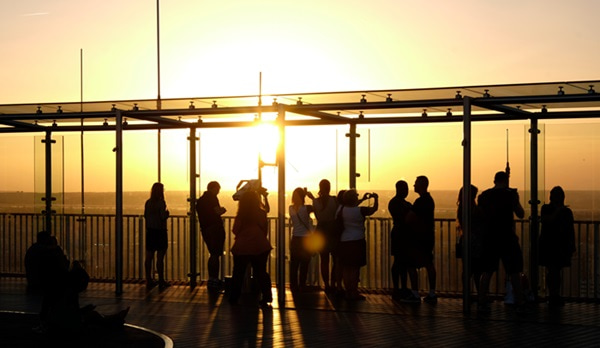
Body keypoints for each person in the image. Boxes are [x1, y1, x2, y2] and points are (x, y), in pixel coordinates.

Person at [477, 171, 526, 313]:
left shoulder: (484, 196)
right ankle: (519, 302)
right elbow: (521, 213)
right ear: (506, 180)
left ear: (494, 180)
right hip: (507, 237)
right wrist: (515, 200)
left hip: (490, 237)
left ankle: (481, 301)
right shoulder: (510, 195)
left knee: (487, 271)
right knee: (514, 271)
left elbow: (481, 216)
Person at [228, 189, 273, 307]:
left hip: (242, 247)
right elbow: (264, 230)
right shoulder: (261, 213)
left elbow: (235, 230)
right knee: (261, 272)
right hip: (260, 245)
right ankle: (267, 296)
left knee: (238, 273)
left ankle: (234, 297)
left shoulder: (241, 215)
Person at [338, 189, 378, 301]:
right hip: (357, 240)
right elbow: (374, 209)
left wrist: (363, 199)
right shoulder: (360, 211)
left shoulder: (341, 210)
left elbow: (351, 206)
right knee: (355, 268)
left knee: (346, 267)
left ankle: (347, 291)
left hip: (344, 241)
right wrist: (375, 199)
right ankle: (354, 291)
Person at [539, 186, 576, 307]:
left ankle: (553, 295)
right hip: (556, 246)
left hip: (552, 245)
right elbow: (569, 230)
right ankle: (554, 295)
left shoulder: (547, 208)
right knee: (554, 271)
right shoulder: (563, 211)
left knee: (554, 271)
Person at [404, 175, 437, 304]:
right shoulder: (429, 200)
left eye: (416, 183)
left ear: (421, 185)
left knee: (411, 265)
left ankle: (415, 293)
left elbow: (409, 218)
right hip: (428, 236)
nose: (414, 185)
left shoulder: (420, 202)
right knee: (429, 264)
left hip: (418, 238)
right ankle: (432, 293)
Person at [308, 179, 339, 293]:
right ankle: (334, 283)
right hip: (332, 231)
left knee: (324, 260)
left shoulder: (315, 202)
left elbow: (316, 215)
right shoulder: (334, 200)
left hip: (321, 230)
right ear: (329, 187)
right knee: (335, 259)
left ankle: (326, 284)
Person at [196, 181, 227, 292]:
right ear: (213, 188)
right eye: (218, 189)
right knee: (215, 254)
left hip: (205, 229)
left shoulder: (200, 201)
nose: (218, 191)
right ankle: (214, 280)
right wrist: (223, 210)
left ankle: (211, 279)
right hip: (215, 228)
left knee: (212, 254)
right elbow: (217, 211)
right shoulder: (212, 198)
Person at [456, 185, 485, 296]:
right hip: (475, 242)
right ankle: (480, 294)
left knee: (468, 270)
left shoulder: (462, 207)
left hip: (467, 241)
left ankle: (468, 293)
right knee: (477, 270)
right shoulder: (472, 208)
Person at [388, 180, 412, 301]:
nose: (406, 191)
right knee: (399, 261)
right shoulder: (396, 203)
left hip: (402, 233)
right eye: (405, 188)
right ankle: (398, 288)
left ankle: (402, 287)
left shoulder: (398, 202)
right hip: (399, 233)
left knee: (402, 261)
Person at [144, 182, 170, 290]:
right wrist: (167, 213)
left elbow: (146, 216)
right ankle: (161, 280)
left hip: (150, 232)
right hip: (160, 232)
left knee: (149, 257)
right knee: (160, 258)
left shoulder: (148, 203)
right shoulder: (161, 202)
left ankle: (149, 279)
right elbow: (162, 217)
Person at [289, 187, 316, 292]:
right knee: (304, 264)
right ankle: (302, 285)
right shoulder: (306, 208)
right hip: (306, 239)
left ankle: (293, 285)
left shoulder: (290, 208)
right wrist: (310, 196)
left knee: (294, 263)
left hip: (295, 238)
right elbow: (317, 207)